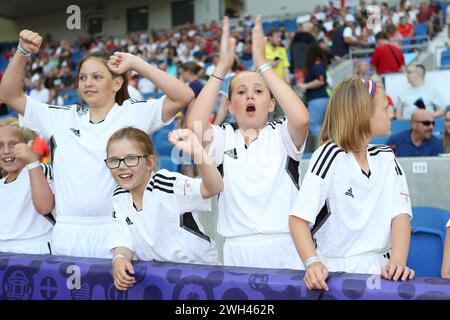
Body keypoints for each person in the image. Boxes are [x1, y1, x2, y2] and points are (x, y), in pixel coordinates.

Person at [0, 29, 194, 258]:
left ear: (116, 83)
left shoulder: (133, 114)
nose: (88, 83)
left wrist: (137, 63)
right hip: (67, 232)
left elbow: (183, 95)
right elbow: (10, 95)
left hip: (117, 229)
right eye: (83, 77)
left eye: (97, 77)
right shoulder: (62, 117)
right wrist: (22, 52)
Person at [187, 16, 309, 270]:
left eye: (259, 90)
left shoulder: (281, 135)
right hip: (236, 248)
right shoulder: (223, 136)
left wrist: (263, 65)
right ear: (230, 106)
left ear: (272, 104)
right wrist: (221, 68)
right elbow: (195, 127)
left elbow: (301, 118)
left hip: (285, 245)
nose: (250, 95)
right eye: (241, 92)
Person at [290, 78, 415, 291]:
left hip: (383, 272)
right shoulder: (329, 155)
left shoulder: (386, 156)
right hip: (337, 274)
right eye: (385, 108)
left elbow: (400, 214)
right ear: (364, 113)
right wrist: (312, 263)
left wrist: (398, 262)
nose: (391, 114)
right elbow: (298, 219)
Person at [106, 127, 222, 291]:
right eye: (113, 160)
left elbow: (214, 187)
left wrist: (197, 151)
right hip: (158, 279)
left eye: (131, 158)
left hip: (199, 276)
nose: (122, 166)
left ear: (150, 163)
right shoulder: (119, 196)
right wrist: (119, 258)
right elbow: (123, 240)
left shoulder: (166, 183)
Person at [0, 118, 54, 254]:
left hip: (37, 254)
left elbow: (44, 207)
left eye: (14, 144)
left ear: (28, 145)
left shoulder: (39, 171)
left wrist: (32, 162)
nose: (6, 150)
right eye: (0, 145)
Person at [298, 43, 330, 140]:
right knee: (322, 125)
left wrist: (305, 86)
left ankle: (322, 147)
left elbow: (320, 81)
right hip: (322, 98)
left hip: (317, 99)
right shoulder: (319, 64)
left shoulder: (317, 64)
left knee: (313, 124)